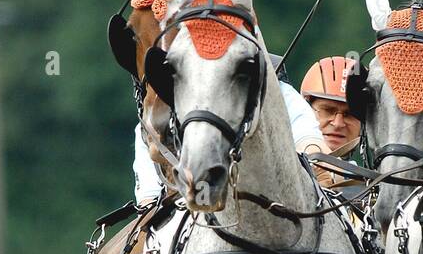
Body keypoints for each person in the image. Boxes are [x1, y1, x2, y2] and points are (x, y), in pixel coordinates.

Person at [133, 52, 324, 206]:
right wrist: (149, 201)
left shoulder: (274, 86)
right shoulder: (165, 99)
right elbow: (150, 189)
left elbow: (308, 139)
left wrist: (316, 160)